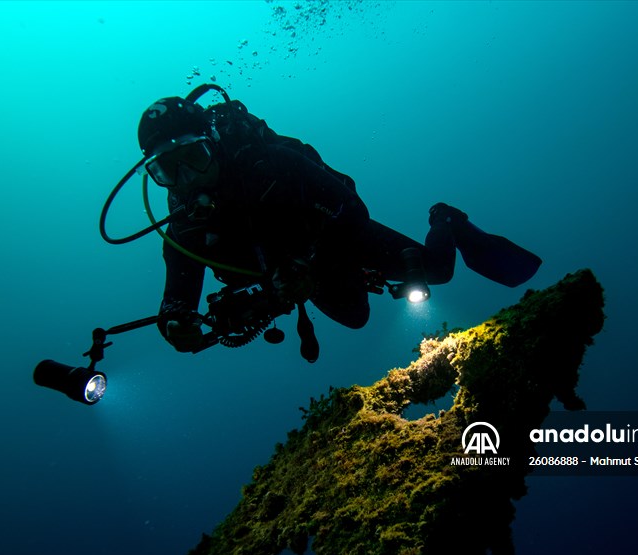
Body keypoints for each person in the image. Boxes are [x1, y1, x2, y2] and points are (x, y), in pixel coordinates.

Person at [132, 86, 542, 360]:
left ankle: (446, 219)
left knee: (438, 270)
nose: (190, 180)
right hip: (297, 274)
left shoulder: (272, 165)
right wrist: (175, 324)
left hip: (337, 237)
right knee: (355, 317)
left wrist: (305, 262)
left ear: (214, 145)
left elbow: (350, 207)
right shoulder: (185, 226)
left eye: (195, 158)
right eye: (169, 171)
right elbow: (177, 296)